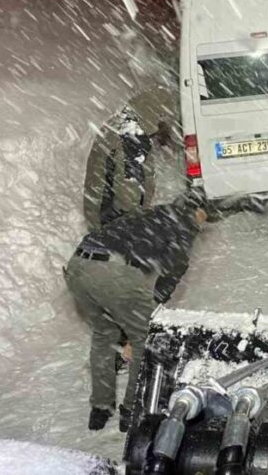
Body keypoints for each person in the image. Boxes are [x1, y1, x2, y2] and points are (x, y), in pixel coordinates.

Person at [65, 194, 208, 432]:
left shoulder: (149, 215)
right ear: (196, 212)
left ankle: (100, 408)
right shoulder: (184, 225)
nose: (202, 224)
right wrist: (146, 319)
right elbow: (171, 275)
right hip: (111, 270)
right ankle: (132, 412)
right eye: (202, 217)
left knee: (103, 334)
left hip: (78, 265)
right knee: (146, 339)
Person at [83, 83, 176, 233]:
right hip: (111, 221)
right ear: (156, 114)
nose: (166, 125)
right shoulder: (132, 139)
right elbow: (128, 196)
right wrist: (137, 226)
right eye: (164, 118)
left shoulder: (122, 124)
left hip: (100, 210)